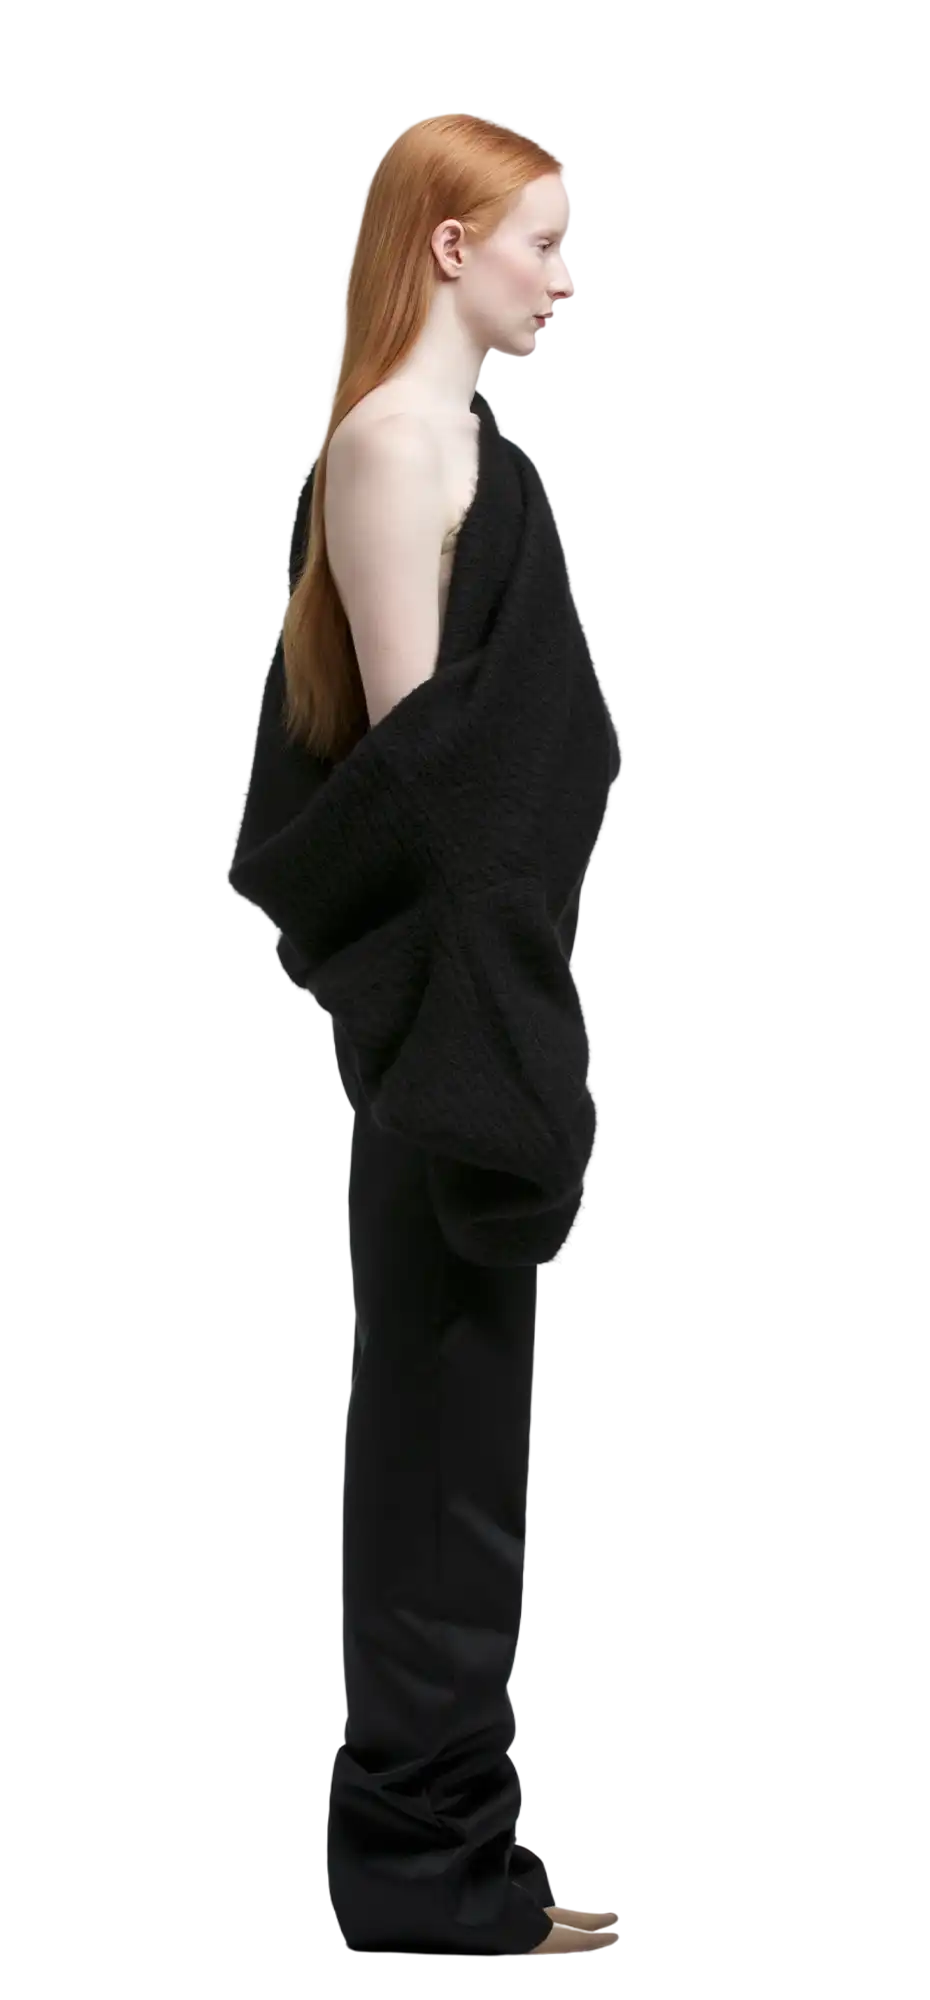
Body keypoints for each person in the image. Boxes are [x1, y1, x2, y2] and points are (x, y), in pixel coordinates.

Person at [236, 111, 620, 1958]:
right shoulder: (394, 449)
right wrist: (498, 1059)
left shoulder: (468, 456)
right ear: (451, 248)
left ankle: (451, 1866)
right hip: (451, 1042)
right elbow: (429, 791)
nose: (566, 279)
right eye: (542, 241)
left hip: (486, 1023)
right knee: (439, 1466)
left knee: (463, 1461)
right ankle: (425, 1880)